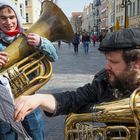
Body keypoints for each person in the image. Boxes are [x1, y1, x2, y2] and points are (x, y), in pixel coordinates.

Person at [14, 28, 140, 130]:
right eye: (107, 60)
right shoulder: (104, 81)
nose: (106, 66)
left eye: (113, 62)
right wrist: (39, 99)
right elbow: (74, 98)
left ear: (137, 63)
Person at [0, 0, 58, 140]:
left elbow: (53, 56)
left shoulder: (27, 37)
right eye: (3, 18)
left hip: (29, 98)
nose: (8, 21)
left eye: (12, 17)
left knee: (36, 134)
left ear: (17, 18)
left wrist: (41, 43)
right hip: (3, 104)